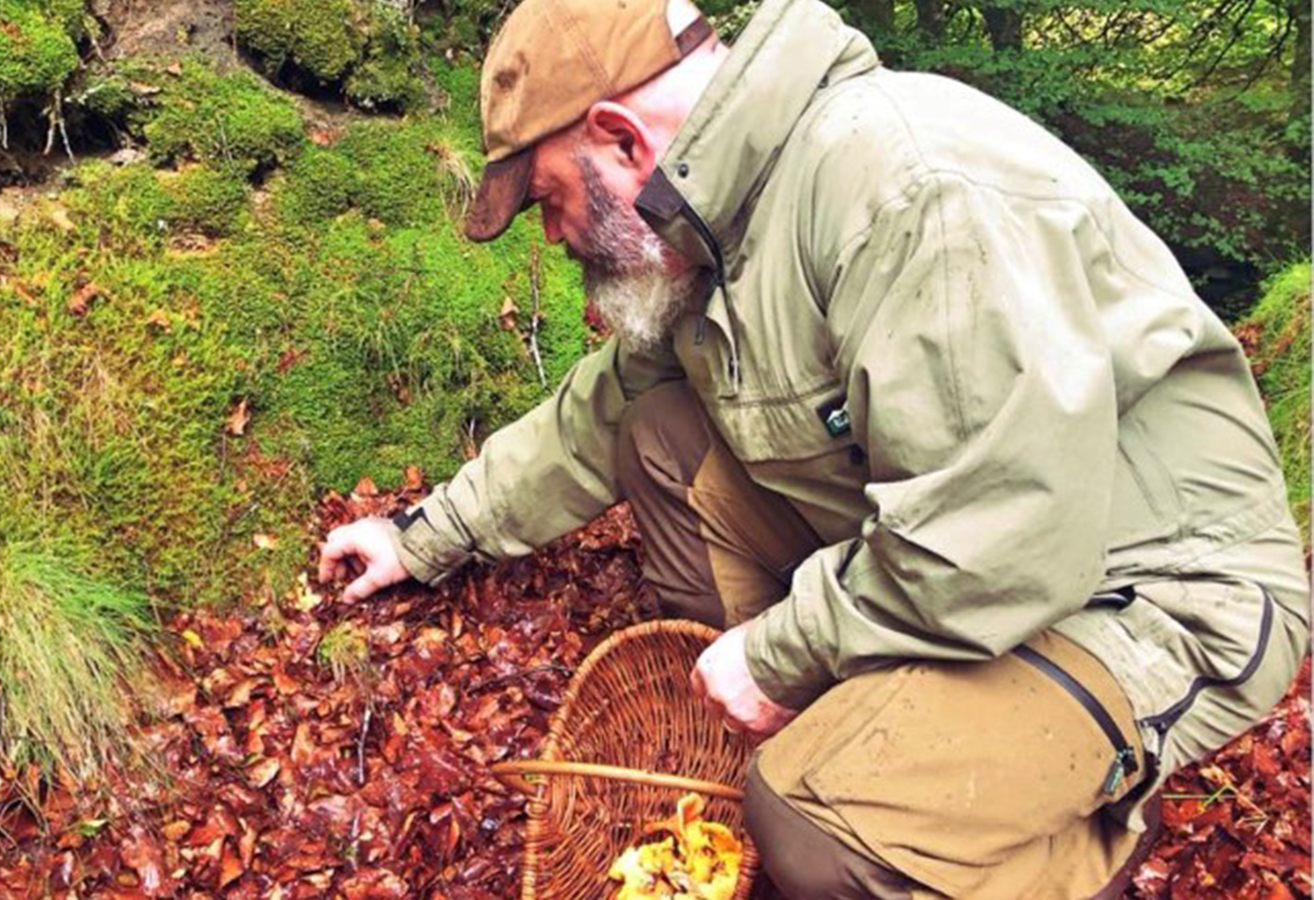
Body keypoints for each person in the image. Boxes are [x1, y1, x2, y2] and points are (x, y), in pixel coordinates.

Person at [317, 0, 1310, 895]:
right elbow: (600, 410)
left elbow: (999, 540)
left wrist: (783, 654)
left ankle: (1059, 838)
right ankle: (863, 739)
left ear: (621, 141)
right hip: (979, 557)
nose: (553, 239)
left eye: (547, 203)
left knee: (809, 828)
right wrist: (419, 539)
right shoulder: (712, 220)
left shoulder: (907, 192)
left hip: (1146, 591)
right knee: (660, 431)